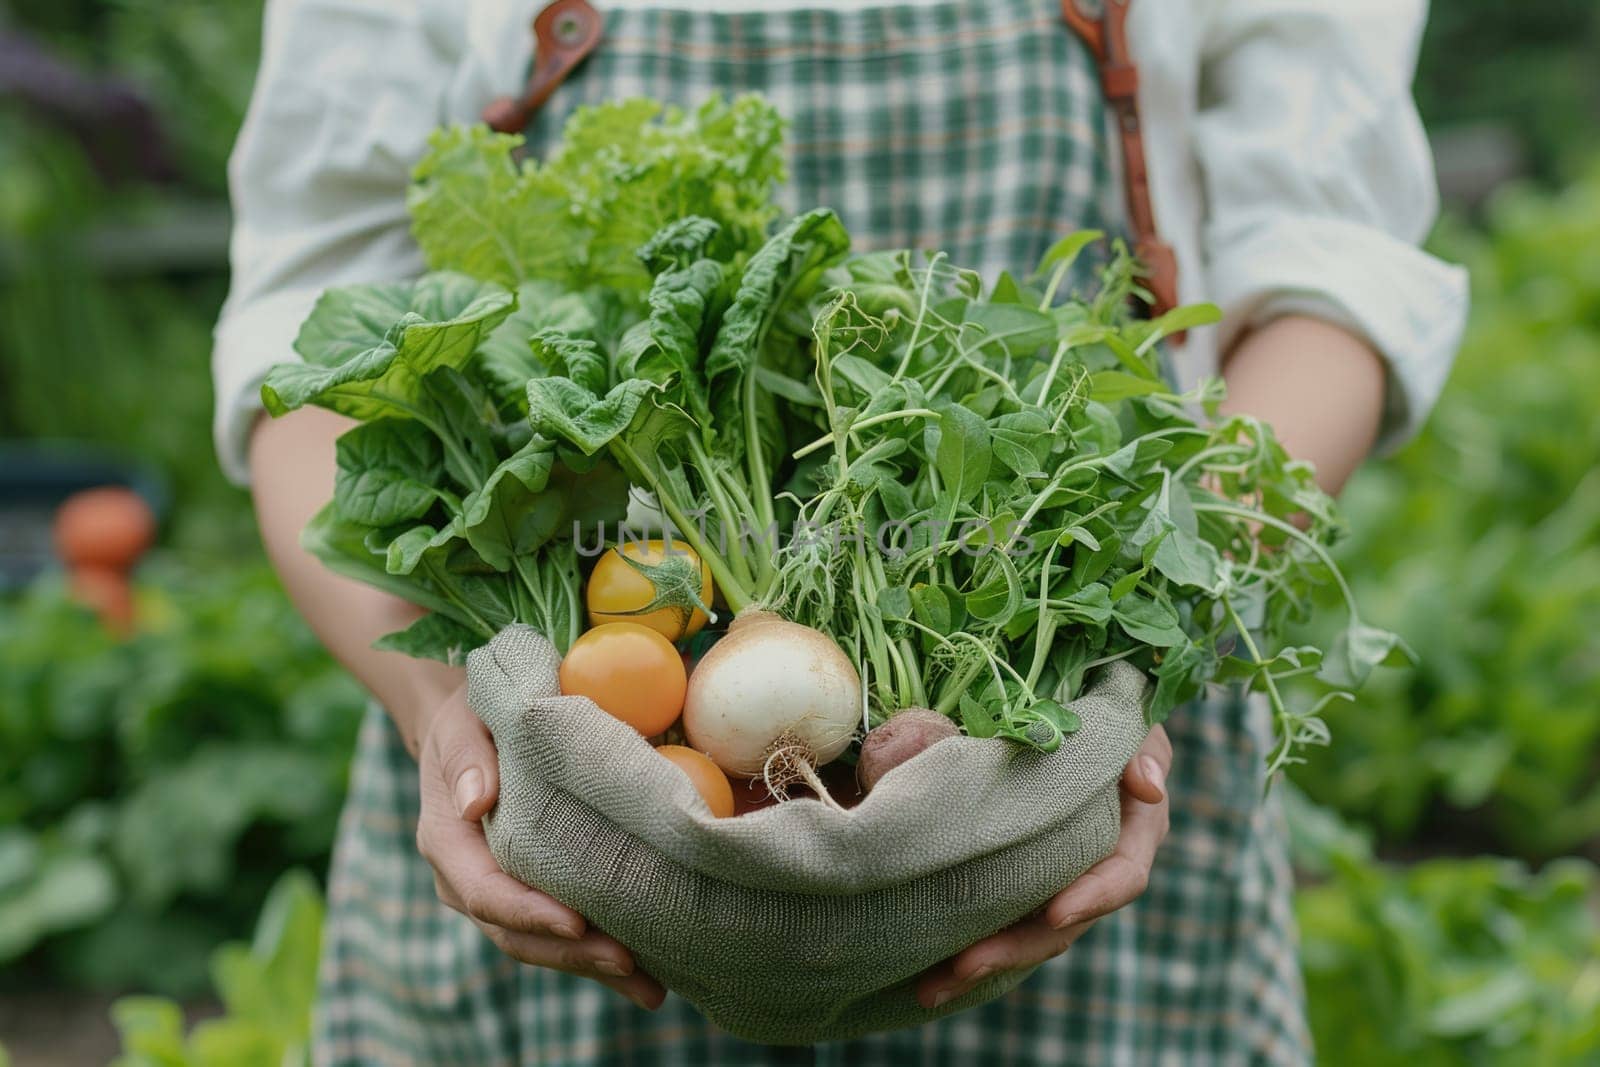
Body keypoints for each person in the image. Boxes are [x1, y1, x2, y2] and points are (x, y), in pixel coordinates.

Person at [216, 0, 1465, 1062]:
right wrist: (444, 712)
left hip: (1060, 745)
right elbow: (307, 347)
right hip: (555, 830)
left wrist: (1142, 647)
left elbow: (1332, 273)